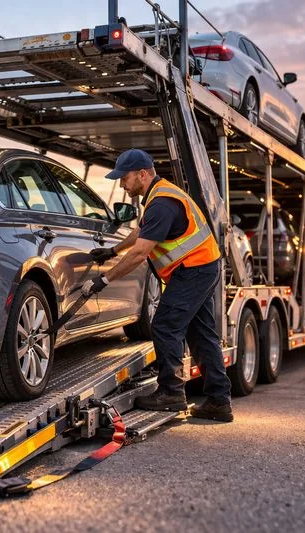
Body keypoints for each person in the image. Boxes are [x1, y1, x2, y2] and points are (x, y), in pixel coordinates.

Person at [81, 149, 233, 422]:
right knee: (201, 334)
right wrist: (112, 251)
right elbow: (142, 231)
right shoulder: (159, 196)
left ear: (142, 174)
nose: (121, 184)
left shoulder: (162, 202)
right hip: (202, 267)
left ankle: (171, 394)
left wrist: (104, 279)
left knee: (164, 325)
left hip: (194, 270)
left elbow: (140, 253)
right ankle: (218, 402)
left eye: (124, 178)